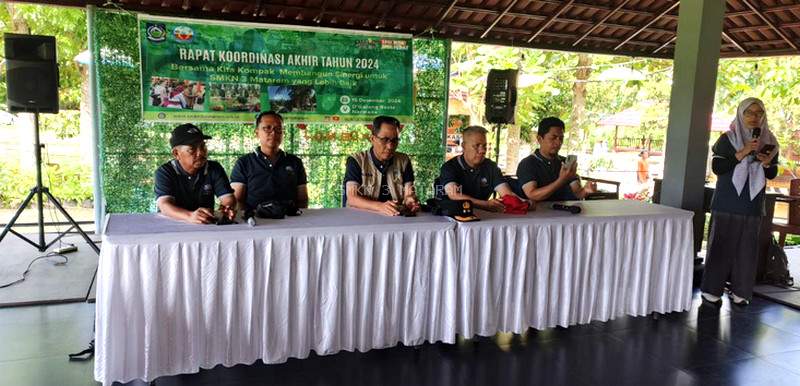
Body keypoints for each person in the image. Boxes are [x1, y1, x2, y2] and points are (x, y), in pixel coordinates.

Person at [701, 97, 779, 308]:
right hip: (727, 202)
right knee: (721, 247)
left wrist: (767, 163)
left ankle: (741, 291)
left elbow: (772, 173)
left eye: (759, 113)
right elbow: (718, 168)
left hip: (752, 204)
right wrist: (743, 152)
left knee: (747, 250)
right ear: (740, 114)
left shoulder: (770, 140)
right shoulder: (728, 138)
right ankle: (711, 290)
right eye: (749, 113)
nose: (754, 117)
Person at [154, 123, 236, 224]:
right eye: (192, 149)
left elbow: (228, 198)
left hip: (205, 225)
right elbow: (164, 205)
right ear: (176, 153)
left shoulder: (213, 168)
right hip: (173, 226)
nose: (200, 153)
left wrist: (226, 209)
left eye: (203, 146)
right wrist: (189, 216)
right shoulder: (165, 172)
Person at [231, 111, 309, 211]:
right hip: (256, 221)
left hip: (289, 219)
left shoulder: (295, 162)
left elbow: (302, 199)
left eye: (278, 129)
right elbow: (237, 200)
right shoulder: (244, 163)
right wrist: (248, 218)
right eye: (267, 128)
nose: (273, 132)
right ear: (257, 133)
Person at [343, 115, 420, 216]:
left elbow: (409, 192)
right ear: (372, 139)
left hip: (395, 218)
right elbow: (352, 198)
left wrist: (409, 199)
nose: (390, 146)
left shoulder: (403, 161)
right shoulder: (357, 160)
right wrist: (380, 206)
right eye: (384, 140)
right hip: (360, 218)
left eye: (394, 140)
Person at [437, 125, 527, 212]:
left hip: (483, 219)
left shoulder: (491, 167)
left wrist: (525, 203)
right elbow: (454, 195)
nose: (482, 151)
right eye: (476, 146)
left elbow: (506, 193)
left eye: (484, 146)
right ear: (463, 146)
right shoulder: (450, 167)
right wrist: (485, 204)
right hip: (452, 218)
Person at [516, 117, 597, 202]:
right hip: (538, 214)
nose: (558, 143)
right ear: (540, 139)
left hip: (565, 212)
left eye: (561, 138)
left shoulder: (566, 162)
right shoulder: (528, 163)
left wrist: (586, 190)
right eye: (553, 138)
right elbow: (532, 195)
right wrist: (561, 180)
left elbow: (577, 193)